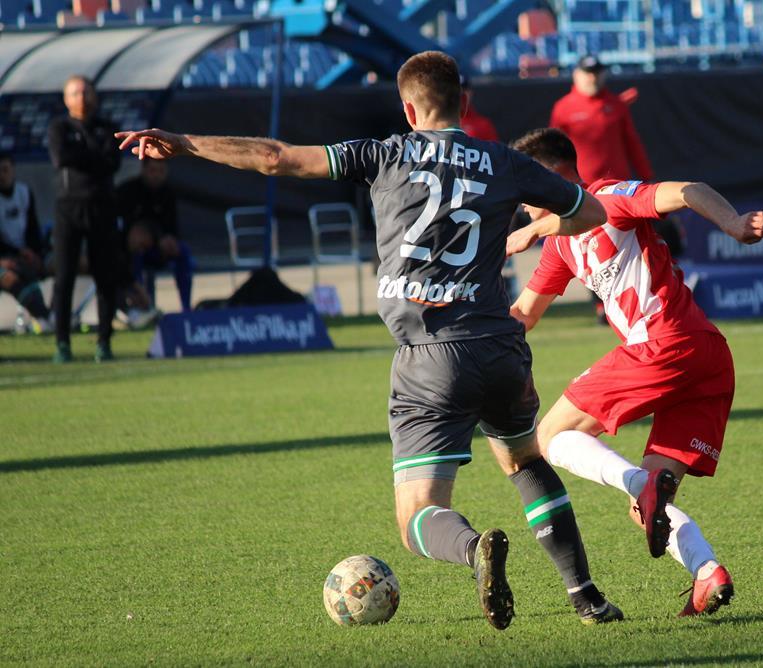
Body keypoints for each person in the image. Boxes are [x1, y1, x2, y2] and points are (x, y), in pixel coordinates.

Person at [116, 51, 623, 630]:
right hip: (501, 347)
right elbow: (592, 212)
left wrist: (183, 143)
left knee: (417, 515)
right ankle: (586, 597)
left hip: (430, 357)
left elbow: (275, 157)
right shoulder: (506, 162)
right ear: (464, 103)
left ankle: (472, 548)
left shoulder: (384, 154)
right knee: (525, 461)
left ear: (408, 109)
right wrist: (536, 228)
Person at [506, 128, 763, 617]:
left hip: (663, 345)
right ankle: (706, 572)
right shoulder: (560, 246)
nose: (522, 206)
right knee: (645, 509)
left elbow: (688, 190)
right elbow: (523, 313)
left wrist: (734, 223)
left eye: (526, 191)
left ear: (547, 178)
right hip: (705, 359)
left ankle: (638, 482)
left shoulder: (610, 198)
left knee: (548, 436)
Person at [48, 75, 122, 363]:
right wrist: (93, 156)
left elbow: (112, 162)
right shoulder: (60, 128)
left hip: (102, 208)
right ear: (66, 99)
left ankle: (104, 341)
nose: (81, 98)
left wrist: (83, 155)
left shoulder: (108, 128)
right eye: (75, 93)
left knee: (106, 276)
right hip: (68, 209)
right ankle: (62, 343)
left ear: (94, 96)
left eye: (85, 92)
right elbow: (61, 159)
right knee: (64, 277)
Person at [549, 54, 653, 185]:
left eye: (596, 73)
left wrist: (646, 176)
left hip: (617, 185)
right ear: (577, 75)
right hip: (582, 187)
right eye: (588, 73)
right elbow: (553, 150)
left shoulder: (616, 104)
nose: (593, 78)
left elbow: (632, 143)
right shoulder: (563, 108)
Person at [117, 159, 195, 312]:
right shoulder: (127, 191)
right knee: (136, 253)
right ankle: (141, 307)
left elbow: (172, 228)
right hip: (132, 253)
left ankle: (186, 308)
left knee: (183, 252)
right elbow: (126, 229)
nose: (156, 175)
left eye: (161, 171)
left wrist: (170, 240)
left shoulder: (168, 193)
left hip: (159, 250)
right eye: (152, 170)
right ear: (143, 170)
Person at [0, 152, 51, 329]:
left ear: (13, 170)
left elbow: (33, 229)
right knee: (11, 278)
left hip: (22, 255)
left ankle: (51, 316)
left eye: (5, 170)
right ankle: (43, 316)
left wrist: (34, 252)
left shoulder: (23, 193)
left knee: (60, 264)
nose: (2, 175)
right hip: (5, 259)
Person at [459, 76, 499, 142]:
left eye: (463, 90)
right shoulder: (440, 123)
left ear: (470, 93)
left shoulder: (484, 125)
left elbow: (494, 148)